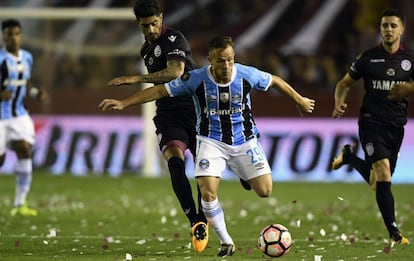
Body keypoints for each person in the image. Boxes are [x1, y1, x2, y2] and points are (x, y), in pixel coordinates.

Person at [99, 35, 315, 257]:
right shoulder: (196, 79)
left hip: (245, 141)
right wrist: (124, 102)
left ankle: (240, 170)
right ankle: (226, 242)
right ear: (210, 59)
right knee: (207, 193)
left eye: (230, 59)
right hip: (211, 142)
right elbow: (160, 91)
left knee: (265, 191)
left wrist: (299, 99)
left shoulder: (247, 74)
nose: (227, 65)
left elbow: (275, 81)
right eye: (221, 60)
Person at [107, 0, 208, 252]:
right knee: (174, 161)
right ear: (138, 25)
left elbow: (175, 73)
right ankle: (195, 220)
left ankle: (203, 219)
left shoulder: (174, 39)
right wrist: (124, 103)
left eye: (154, 23)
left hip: (193, 109)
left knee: (203, 171)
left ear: (161, 18)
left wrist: (134, 78)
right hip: (167, 112)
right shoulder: (146, 49)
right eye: (145, 25)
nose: (151, 29)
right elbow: (161, 90)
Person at [331, 8, 411, 246]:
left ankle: (350, 158)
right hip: (371, 123)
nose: (388, 30)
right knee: (383, 173)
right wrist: (339, 102)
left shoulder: (410, 60)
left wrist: (410, 88)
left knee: (379, 183)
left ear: (402, 30)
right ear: (380, 29)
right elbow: (343, 83)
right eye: (385, 25)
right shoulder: (368, 58)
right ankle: (394, 232)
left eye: (393, 26)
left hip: (396, 127)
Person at [0, 19, 47, 216]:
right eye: (9, 34)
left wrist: (36, 93)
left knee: (25, 150)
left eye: (17, 33)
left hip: (19, 114)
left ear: (21, 36)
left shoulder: (27, 57)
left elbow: (25, 84)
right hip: (1, 117)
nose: (13, 37)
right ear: (3, 36)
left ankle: (21, 204)